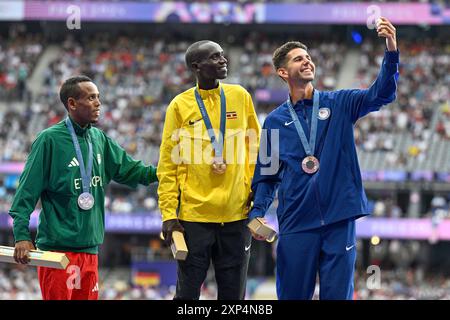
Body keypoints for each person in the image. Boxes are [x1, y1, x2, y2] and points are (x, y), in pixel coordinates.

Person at [248, 17, 399, 299]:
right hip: (295, 222)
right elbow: (267, 174)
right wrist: (257, 212)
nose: (307, 62)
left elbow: (382, 94)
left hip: (338, 220)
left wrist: (391, 51)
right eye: (297, 59)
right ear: (282, 72)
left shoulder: (339, 103)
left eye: (308, 57)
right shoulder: (274, 122)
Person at [9, 75, 158, 300]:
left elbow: (134, 172)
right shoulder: (49, 140)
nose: (98, 103)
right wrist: (21, 235)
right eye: (91, 97)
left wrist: (166, 171)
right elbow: (26, 193)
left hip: (90, 251)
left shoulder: (99, 139)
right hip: (57, 252)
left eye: (98, 97)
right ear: (72, 103)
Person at [157, 40, 261, 300]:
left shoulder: (240, 96)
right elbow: (168, 164)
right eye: (214, 57)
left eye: (223, 55)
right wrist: (169, 214)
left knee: (233, 296)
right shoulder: (179, 106)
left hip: (236, 217)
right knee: (187, 295)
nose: (223, 60)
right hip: (195, 219)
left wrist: (257, 192)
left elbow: (256, 150)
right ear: (197, 66)